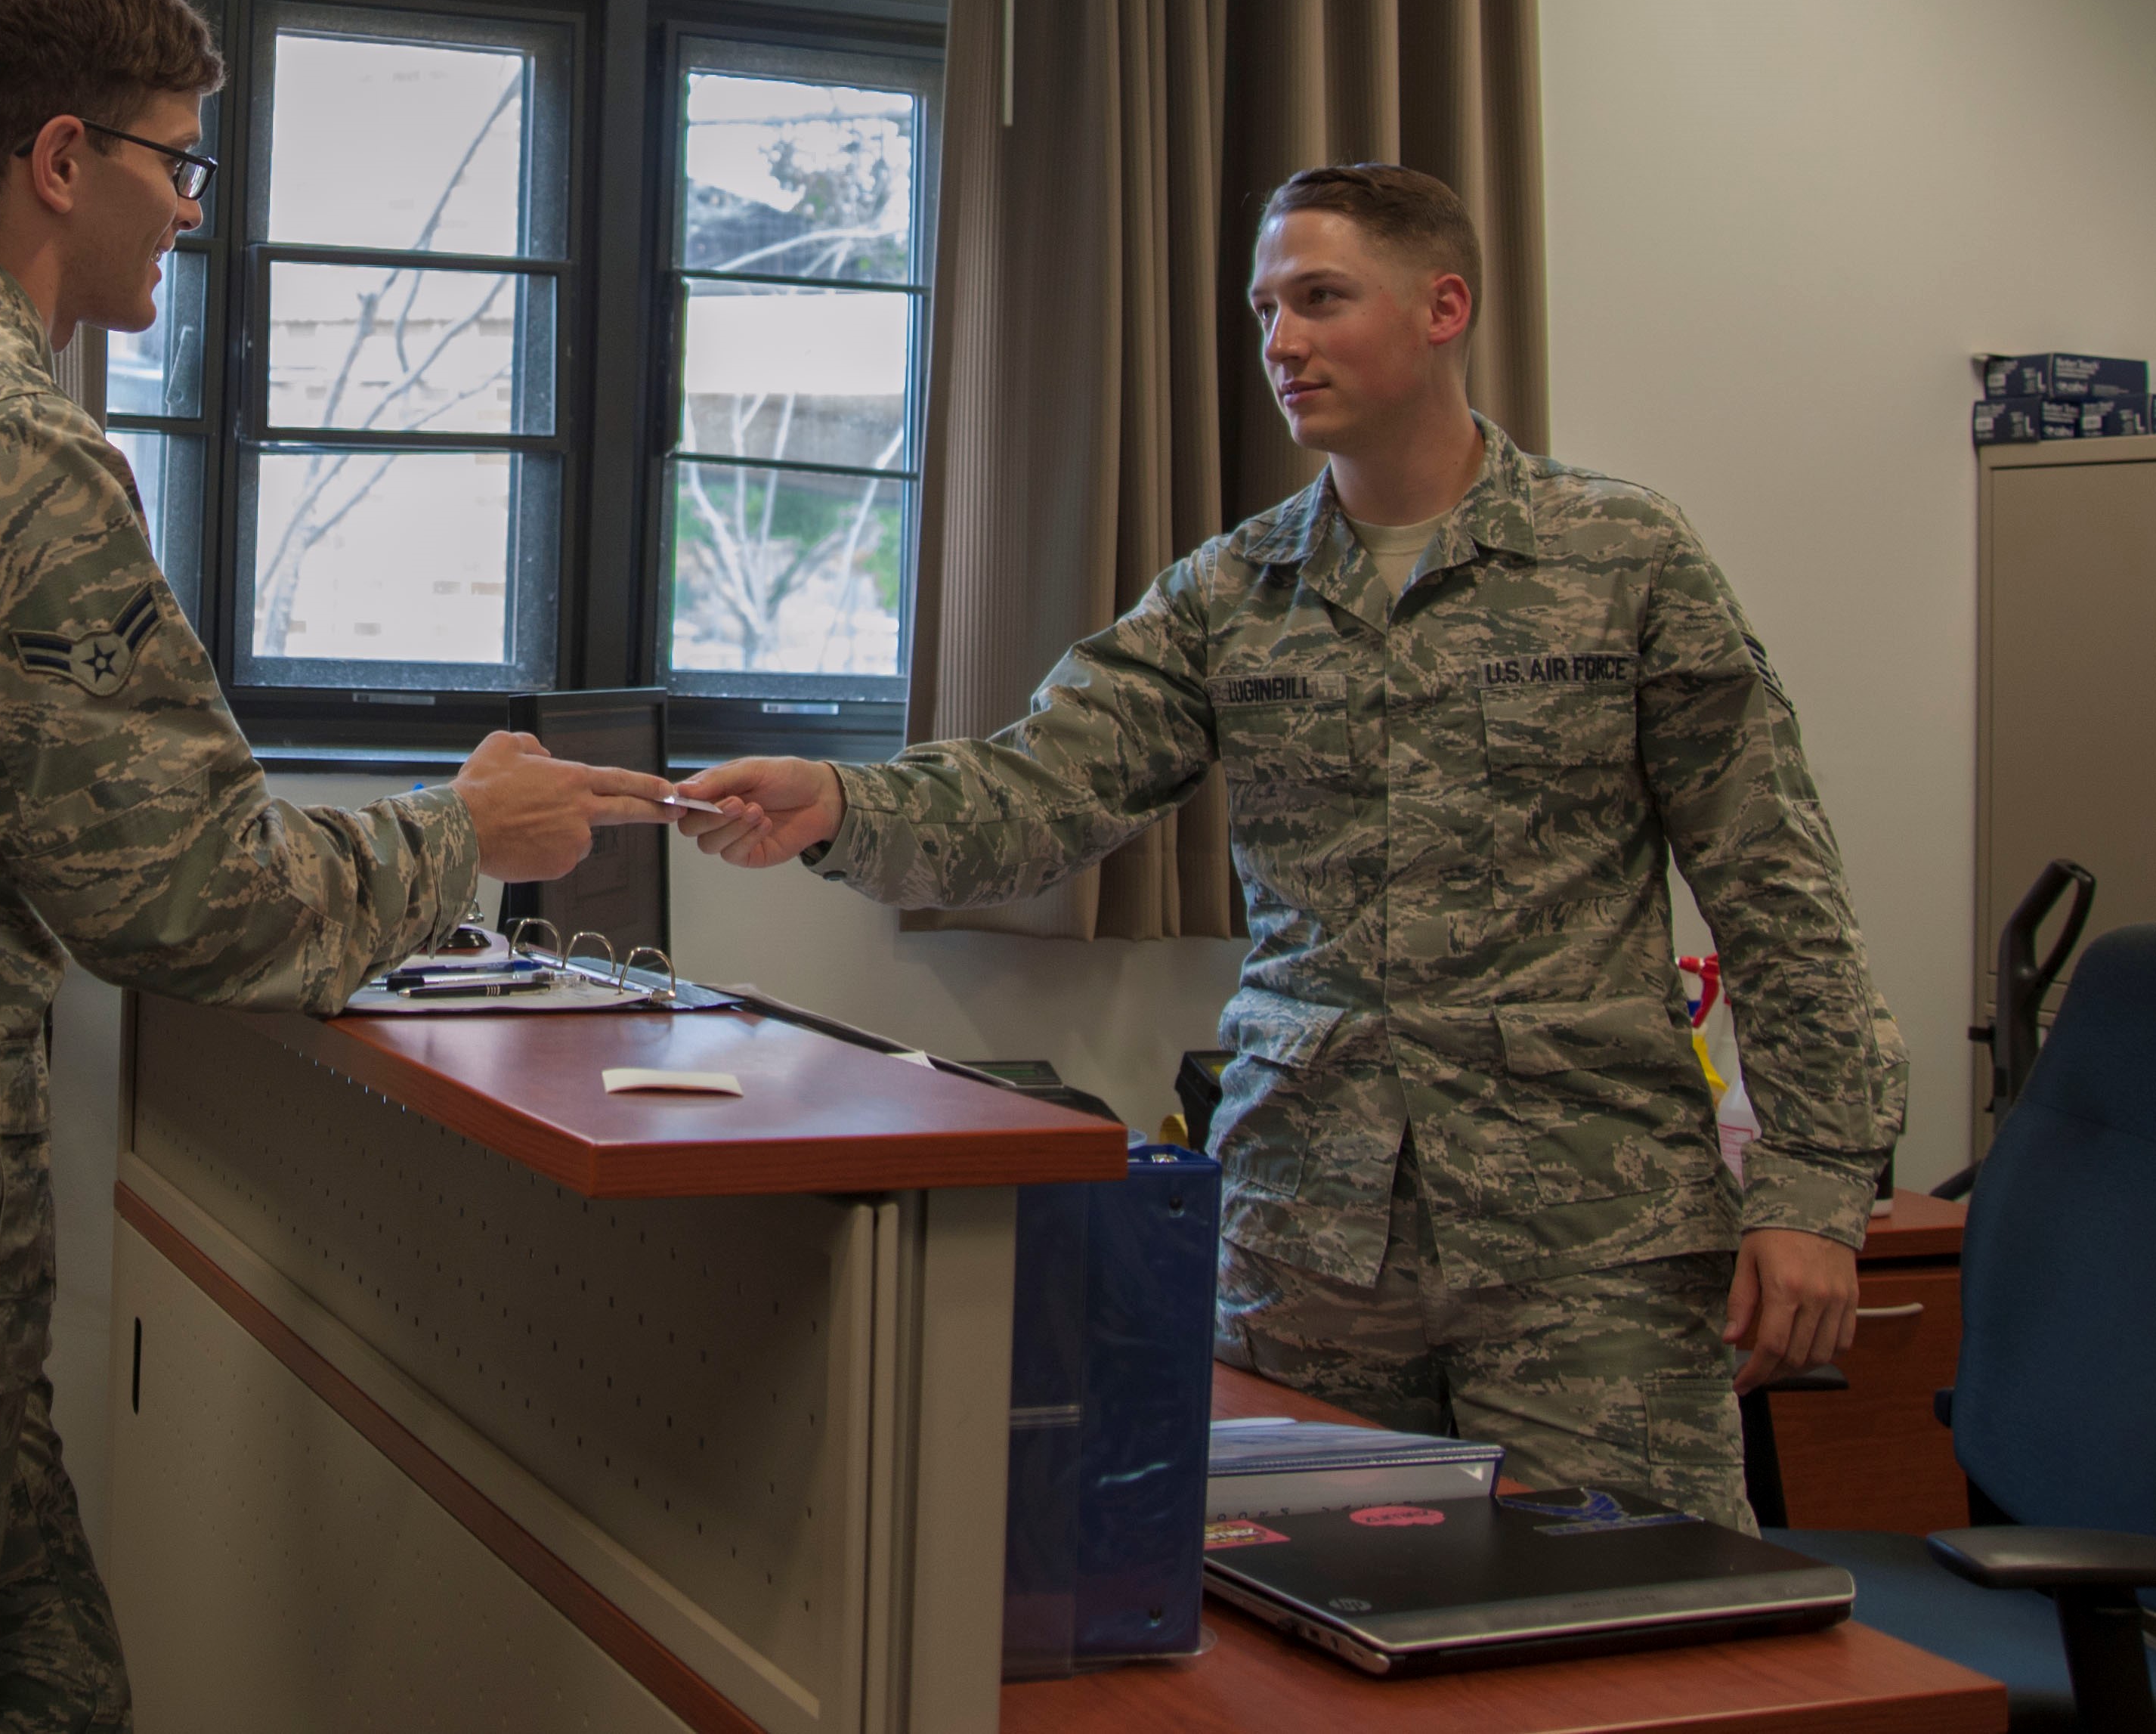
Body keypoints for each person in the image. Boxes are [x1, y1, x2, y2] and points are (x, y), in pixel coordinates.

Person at [0, 0, 670, 1731]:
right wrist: (468, 830)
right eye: (177, 163)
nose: (192, 209)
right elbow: (185, 893)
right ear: (59, 161)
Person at [675, 163, 1904, 1532]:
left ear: (1445, 307)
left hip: (1588, 1248)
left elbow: (1777, 887)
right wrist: (838, 806)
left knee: (1620, 1650)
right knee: (1310, 1645)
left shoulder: (1623, 558)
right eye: (1266, 309)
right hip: (1313, 1246)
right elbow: (1039, 787)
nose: (1281, 342)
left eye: (1321, 299)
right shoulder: (1234, 591)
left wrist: (1810, 1189)